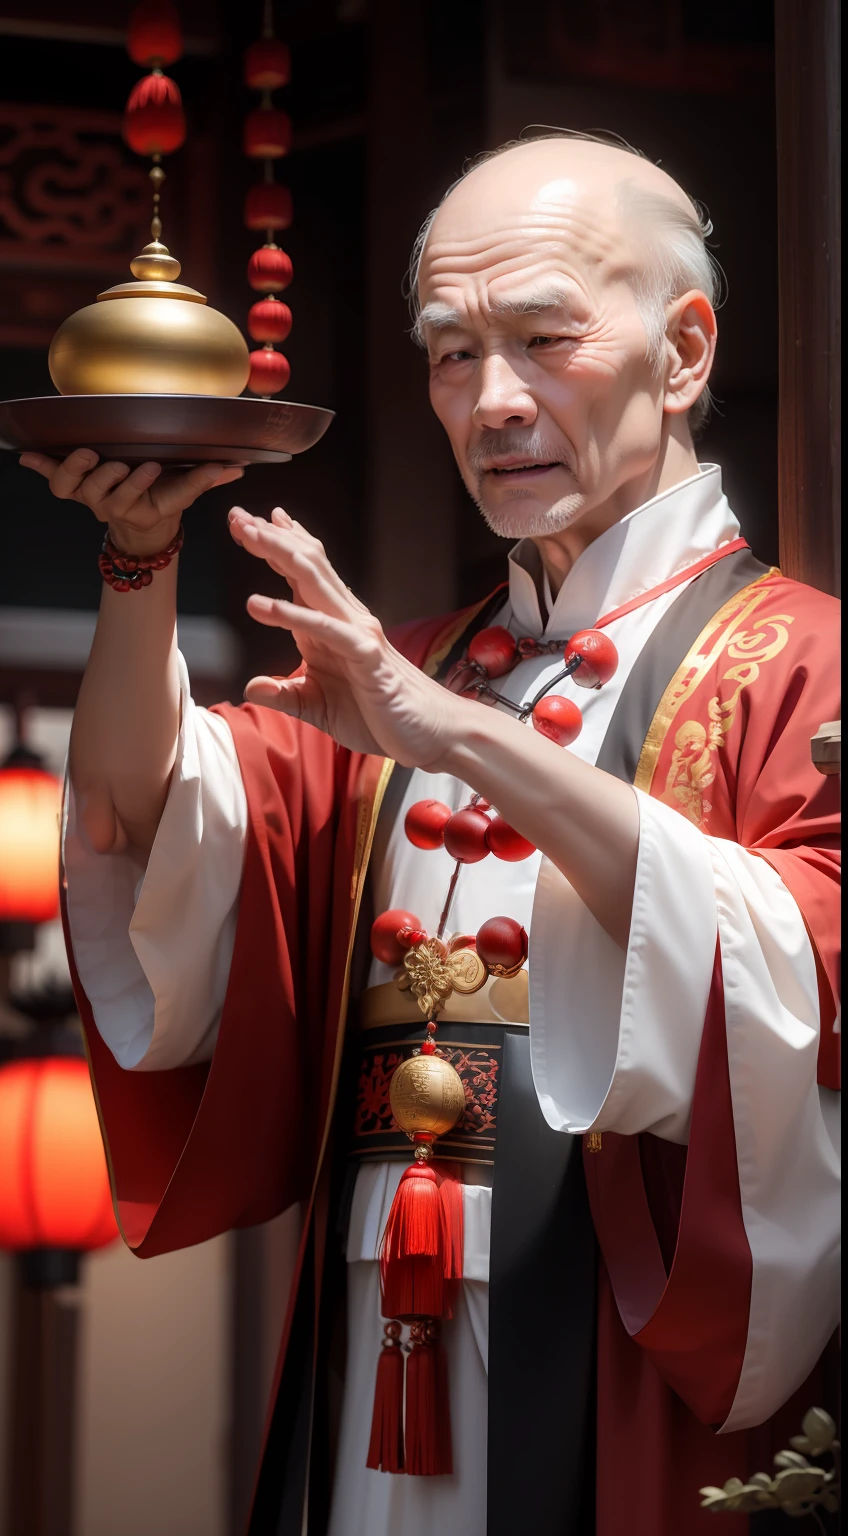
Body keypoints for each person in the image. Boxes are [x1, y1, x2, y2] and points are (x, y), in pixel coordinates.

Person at [22, 134, 840, 1536]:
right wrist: (138, 567)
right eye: (450, 354)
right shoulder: (400, 665)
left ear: (686, 350)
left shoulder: (803, 662)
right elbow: (141, 822)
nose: (491, 401)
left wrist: (454, 731)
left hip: (603, 1325)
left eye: (542, 340)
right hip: (372, 1285)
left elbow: (798, 974)